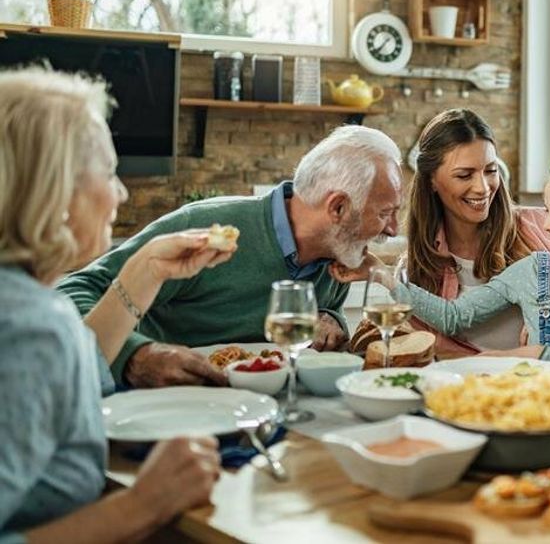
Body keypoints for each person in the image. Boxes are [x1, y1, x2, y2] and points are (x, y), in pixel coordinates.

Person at [0, 67, 222, 542]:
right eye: (108, 172)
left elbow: (72, 371)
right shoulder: (29, 325)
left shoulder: (22, 301)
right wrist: (142, 505)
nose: (121, 192)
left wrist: (148, 270)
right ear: (55, 190)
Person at [58, 124, 403, 388]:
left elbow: (325, 323)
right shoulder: (206, 226)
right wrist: (135, 355)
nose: (393, 229)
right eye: (386, 212)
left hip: (257, 413)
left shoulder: (340, 253)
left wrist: (332, 322)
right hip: (159, 407)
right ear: (338, 207)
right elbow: (71, 294)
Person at [343, 154, 550, 383]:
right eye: (547, 210)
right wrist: (384, 277)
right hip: (529, 407)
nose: (548, 224)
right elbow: (453, 317)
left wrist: (538, 355)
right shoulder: (532, 271)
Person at [405, 109, 550, 355]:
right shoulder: (416, 269)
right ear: (431, 180)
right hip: (466, 388)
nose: (483, 188)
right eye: (464, 175)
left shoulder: (544, 227)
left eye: (490, 170)